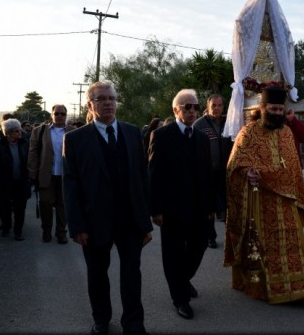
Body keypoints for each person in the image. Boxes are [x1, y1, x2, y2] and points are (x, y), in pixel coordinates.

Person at [63, 81, 152, 335]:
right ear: (90, 105)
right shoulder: (75, 139)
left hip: (130, 220)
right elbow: (71, 186)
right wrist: (77, 225)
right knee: (97, 275)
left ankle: (133, 323)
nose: (108, 103)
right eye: (101, 99)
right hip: (94, 222)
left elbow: (141, 178)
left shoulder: (133, 132)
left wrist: (145, 217)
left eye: (112, 98)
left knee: (132, 274)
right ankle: (101, 319)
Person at [224, 86, 304, 304]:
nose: (277, 113)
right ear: (263, 108)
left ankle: (297, 287)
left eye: (280, 109)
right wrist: (247, 172)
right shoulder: (248, 133)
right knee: (263, 246)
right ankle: (264, 288)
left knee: (291, 245)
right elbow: (234, 165)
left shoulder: (286, 132)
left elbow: (293, 167)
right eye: (273, 109)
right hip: (260, 200)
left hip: (286, 200)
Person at [148, 89, 214, 320]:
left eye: (195, 107)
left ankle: (183, 280)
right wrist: (156, 210)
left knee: (200, 246)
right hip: (172, 209)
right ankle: (180, 298)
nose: (192, 111)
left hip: (198, 208)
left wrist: (210, 206)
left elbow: (207, 174)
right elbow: (154, 175)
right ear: (176, 110)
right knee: (174, 254)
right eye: (187, 107)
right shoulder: (162, 136)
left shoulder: (202, 139)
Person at [28, 104, 75, 244]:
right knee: (45, 203)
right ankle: (46, 230)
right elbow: (33, 152)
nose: (59, 116)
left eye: (62, 114)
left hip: (65, 175)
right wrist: (32, 171)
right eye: (57, 114)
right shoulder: (40, 131)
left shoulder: (73, 131)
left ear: (66, 116)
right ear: (52, 115)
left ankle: (61, 233)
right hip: (45, 174)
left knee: (63, 205)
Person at [193, 94, 233, 248]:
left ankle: (231, 237)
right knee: (209, 206)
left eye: (219, 105)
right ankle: (210, 236)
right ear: (208, 107)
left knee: (227, 205)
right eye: (213, 106)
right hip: (207, 173)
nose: (216, 108)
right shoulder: (199, 125)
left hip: (226, 172)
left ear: (223, 106)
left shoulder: (229, 123)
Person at [0, 118, 31, 241]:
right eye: (16, 131)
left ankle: (18, 231)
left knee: (20, 208)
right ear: (9, 133)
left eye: (19, 130)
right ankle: (6, 227)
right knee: (4, 206)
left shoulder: (25, 143)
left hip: (21, 181)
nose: (19, 132)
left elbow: (30, 161)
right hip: (4, 182)